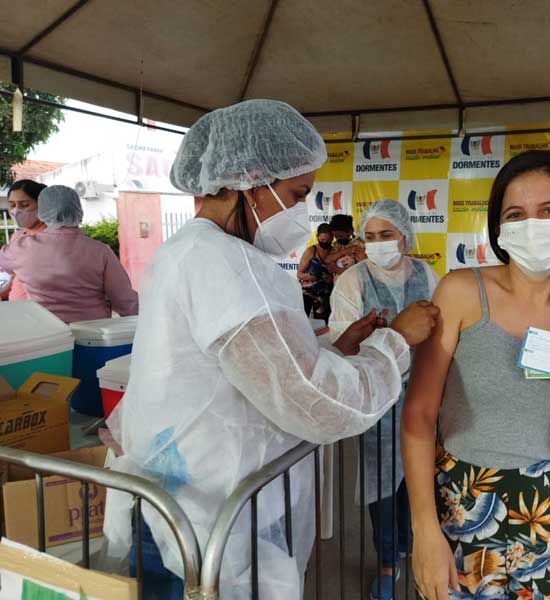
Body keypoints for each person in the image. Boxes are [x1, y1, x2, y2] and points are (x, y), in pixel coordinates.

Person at [102, 99, 439, 600]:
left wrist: (340, 345)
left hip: (187, 508)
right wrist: (396, 342)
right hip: (207, 525)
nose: (304, 210)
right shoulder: (224, 264)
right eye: (297, 193)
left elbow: (259, 364)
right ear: (252, 182)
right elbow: (319, 403)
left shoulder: (193, 252)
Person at [402, 150, 550, 600]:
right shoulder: (461, 292)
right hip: (463, 503)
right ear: (500, 230)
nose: (533, 225)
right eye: (516, 214)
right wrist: (424, 530)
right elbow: (419, 415)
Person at [329, 200, 439, 600]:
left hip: (425, 393)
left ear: (404, 237)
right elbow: (345, 342)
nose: (377, 244)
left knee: (421, 475)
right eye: (370, 237)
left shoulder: (427, 275)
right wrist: (392, 336)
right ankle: (388, 560)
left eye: (386, 236)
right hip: (378, 396)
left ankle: (415, 543)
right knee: (381, 484)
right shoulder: (353, 282)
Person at [0, 185, 138, 323]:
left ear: (41, 212)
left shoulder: (20, 247)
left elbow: (4, 264)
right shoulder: (100, 251)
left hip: (46, 333)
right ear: (78, 211)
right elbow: (125, 301)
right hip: (93, 334)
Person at [1, 179, 48, 301]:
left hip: (42, 311)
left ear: (42, 205)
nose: (16, 210)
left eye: (25, 204)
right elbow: (15, 276)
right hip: (17, 308)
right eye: (12, 205)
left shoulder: (53, 237)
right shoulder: (17, 236)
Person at [297, 223, 335, 319]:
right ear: (317, 237)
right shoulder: (311, 251)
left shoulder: (334, 251)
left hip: (325, 294)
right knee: (303, 320)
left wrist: (330, 278)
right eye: (322, 240)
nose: (325, 242)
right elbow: (299, 274)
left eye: (328, 240)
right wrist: (312, 277)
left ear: (332, 238)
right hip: (308, 293)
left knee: (323, 323)